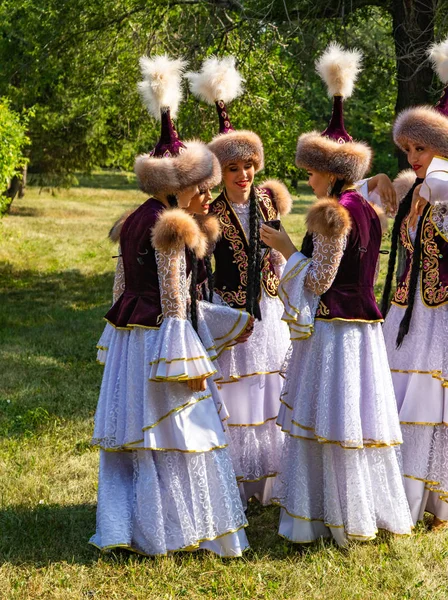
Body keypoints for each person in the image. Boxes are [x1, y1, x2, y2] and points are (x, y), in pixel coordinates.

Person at [90, 55, 251, 557]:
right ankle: (174, 528)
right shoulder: (173, 229)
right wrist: (188, 365)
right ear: (174, 185)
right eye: (198, 185)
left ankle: (124, 526)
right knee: (176, 436)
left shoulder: (133, 219)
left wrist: (114, 340)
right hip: (161, 342)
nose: (205, 192)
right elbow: (176, 301)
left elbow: (120, 290)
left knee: (134, 440)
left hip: (128, 341)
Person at [260, 43, 413, 546]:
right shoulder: (366, 207)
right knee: (356, 420)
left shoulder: (330, 213)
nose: (307, 178)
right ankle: (358, 511)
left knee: (329, 421)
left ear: (329, 171)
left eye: (311, 170)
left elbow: (320, 280)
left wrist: (284, 247)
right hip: (364, 328)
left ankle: (323, 513)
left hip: (334, 329)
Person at [187, 57, 292, 505]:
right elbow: (200, 265)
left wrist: (278, 261)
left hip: (268, 309)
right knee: (239, 390)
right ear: (220, 174)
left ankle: (269, 479)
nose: (244, 175)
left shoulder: (268, 200)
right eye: (234, 170)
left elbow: (283, 254)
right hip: (231, 313)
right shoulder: (210, 213)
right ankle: (238, 480)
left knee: (268, 389)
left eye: (249, 166)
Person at [380, 37, 448, 529]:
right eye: (407, 149)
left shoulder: (442, 192)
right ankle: (400, 493)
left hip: (438, 313)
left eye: (420, 148)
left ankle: (435, 499)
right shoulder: (415, 191)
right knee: (402, 401)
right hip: (406, 311)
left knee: (430, 402)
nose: (413, 157)